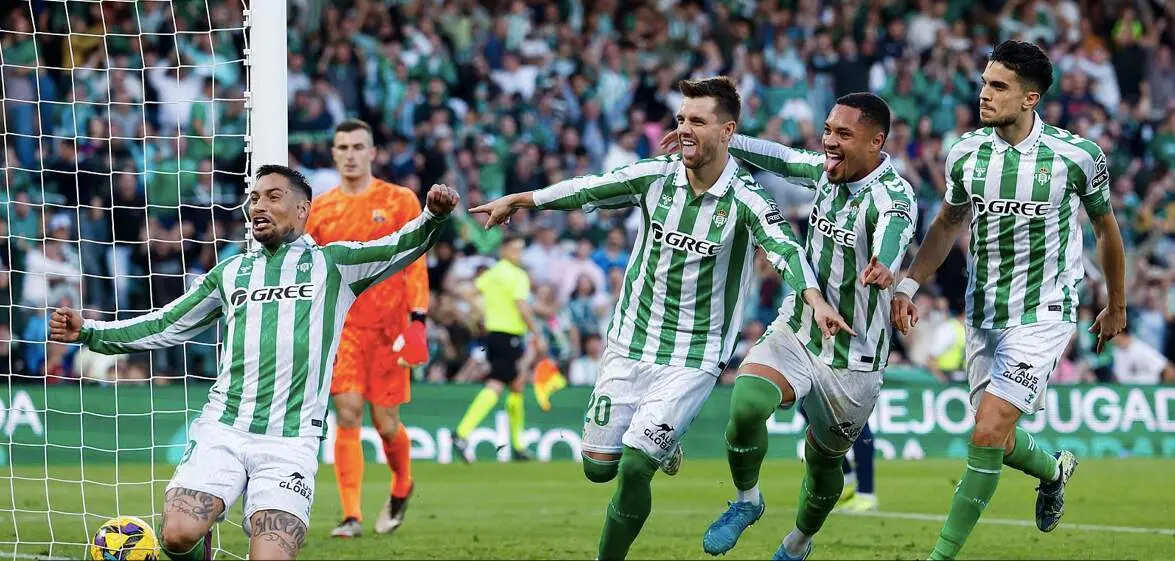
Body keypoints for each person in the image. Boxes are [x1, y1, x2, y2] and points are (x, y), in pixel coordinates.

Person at [469, 76, 850, 561]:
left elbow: (785, 249)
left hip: (693, 357)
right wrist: (523, 200)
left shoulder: (747, 198)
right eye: (681, 119)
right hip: (629, 343)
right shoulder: (657, 175)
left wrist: (814, 298)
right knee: (598, 467)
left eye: (697, 121)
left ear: (728, 130)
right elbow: (590, 188)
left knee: (633, 467)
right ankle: (664, 446)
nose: (685, 129)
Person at [49, 166, 459, 561]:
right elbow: (168, 324)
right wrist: (91, 333)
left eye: (272, 197)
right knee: (177, 535)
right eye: (254, 198)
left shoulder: (335, 264)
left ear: (303, 209)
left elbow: (402, 245)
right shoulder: (231, 272)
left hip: (290, 441)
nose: (257, 206)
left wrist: (433, 215)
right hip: (225, 427)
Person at [890, 41, 1128, 560]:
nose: (984, 93)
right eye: (984, 82)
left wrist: (1117, 304)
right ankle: (1054, 469)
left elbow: (1107, 231)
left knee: (990, 427)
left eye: (998, 86)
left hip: (1044, 311)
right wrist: (909, 283)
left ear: (1030, 98)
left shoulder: (1077, 156)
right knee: (992, 435)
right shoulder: (966, 153)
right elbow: (949, 222)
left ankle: (940, 556)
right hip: (983, 313)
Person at [664, 93, 916, 560]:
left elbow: (895, 229)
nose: (829, 143)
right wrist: (708, 137)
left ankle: (797, 543)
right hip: (799, 330)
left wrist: (886, 263)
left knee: (824, 464)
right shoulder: (824, 170)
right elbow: (775, 156)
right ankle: (746, 502)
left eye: (843, 135)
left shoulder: (893, 196)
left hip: (855, 358)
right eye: (827, 131)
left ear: (876, 142)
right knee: (746, 404)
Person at [306, 119, 430, 538]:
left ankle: (401, 486)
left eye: (359, 146)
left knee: (387, 424)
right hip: (345, 328)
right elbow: (311, 269)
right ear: (334, 153)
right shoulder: (320, 209)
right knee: (347, 413)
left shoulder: (399, 200)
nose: (351, 154)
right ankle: (351, 515)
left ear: (373, 152)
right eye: (343, 147)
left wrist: (418, 319)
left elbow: (416, 258)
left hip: (391, 328)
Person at [452, 235, 547, 462]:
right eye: (515, 249)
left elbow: (467, 292)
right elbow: (522, 306)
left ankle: (518, 445)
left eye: (521, 249)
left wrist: (480, 313)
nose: (519, 254)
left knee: (516, 386)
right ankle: (462, 433)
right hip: (510, 335)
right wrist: (538, 334)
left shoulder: (492, 274)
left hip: (494, 335)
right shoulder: (517, 276)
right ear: (505, 250)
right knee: (496, 384)